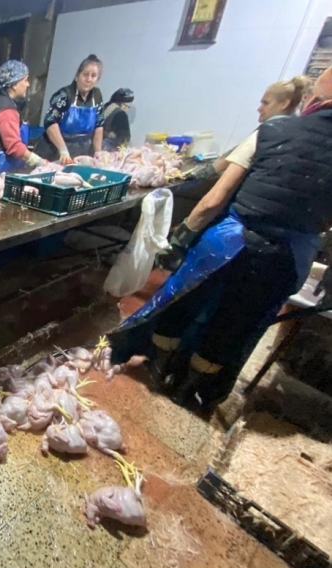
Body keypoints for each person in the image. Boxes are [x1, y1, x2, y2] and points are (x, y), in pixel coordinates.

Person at [109, 66, 332, 415]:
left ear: (314, 100)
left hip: (229, 242)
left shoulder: (272, 131)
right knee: (234, 326)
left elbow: (214, 199)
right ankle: (190, 391)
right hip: (285, 258)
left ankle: (158, 370)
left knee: (182, 303)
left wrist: (180, 238)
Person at [187, 76, 312, 181]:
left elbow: (234, 156)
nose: (259, 108)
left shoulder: (272, 129)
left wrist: (201, 174)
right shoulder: (297, 129)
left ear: (284, 103)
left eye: (266, 103)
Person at [0, 60, 45, 173]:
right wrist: (40, 162)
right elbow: (14, 146)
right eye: (25, 80)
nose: (28, 84)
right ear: (14, 84)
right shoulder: (6, 110)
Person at [34, 54, 105, 163]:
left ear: (97, 79)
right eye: (85, 74)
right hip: (53, 151)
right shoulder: (64, 95)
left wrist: (98, 153)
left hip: (80, 153)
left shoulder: (97, 96)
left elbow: (98, 126)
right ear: (77, 75)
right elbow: (50, 123)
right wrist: (63, 150)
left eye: (93, 76)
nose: (89, 79)